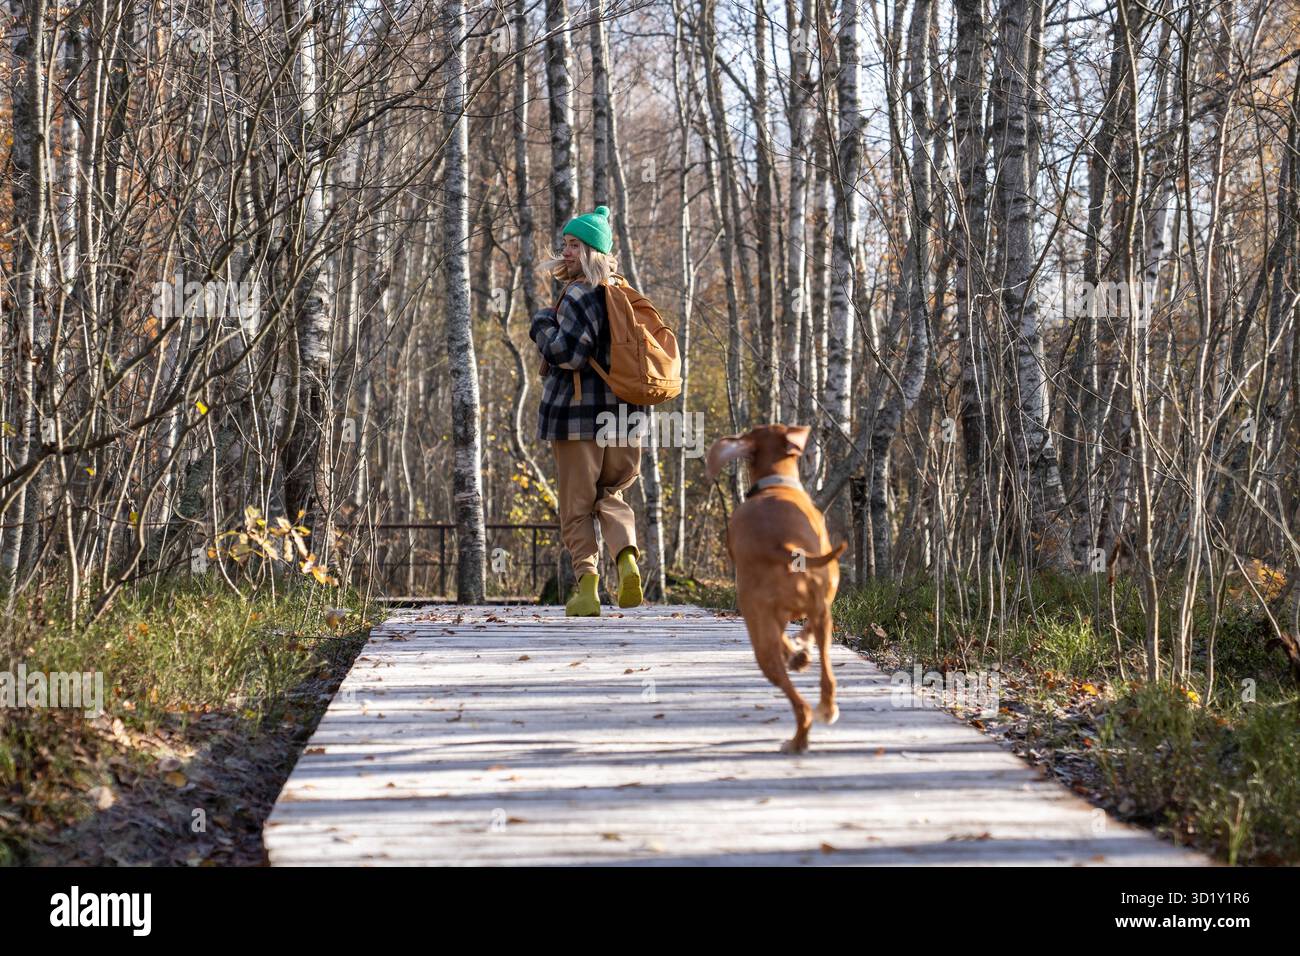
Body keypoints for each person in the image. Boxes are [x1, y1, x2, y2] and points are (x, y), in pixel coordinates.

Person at [529, 205, 644, 616]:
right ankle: (626, 557)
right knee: (610, 494)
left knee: (576, 506)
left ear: (593, 250)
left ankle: (587, 585)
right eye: (565, 244)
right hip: (626, 418)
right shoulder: (625, 293)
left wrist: (542, 323)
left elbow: (568, 355)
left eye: (574, 245)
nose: (565, 251)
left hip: (578, 418)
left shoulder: (579, 293)